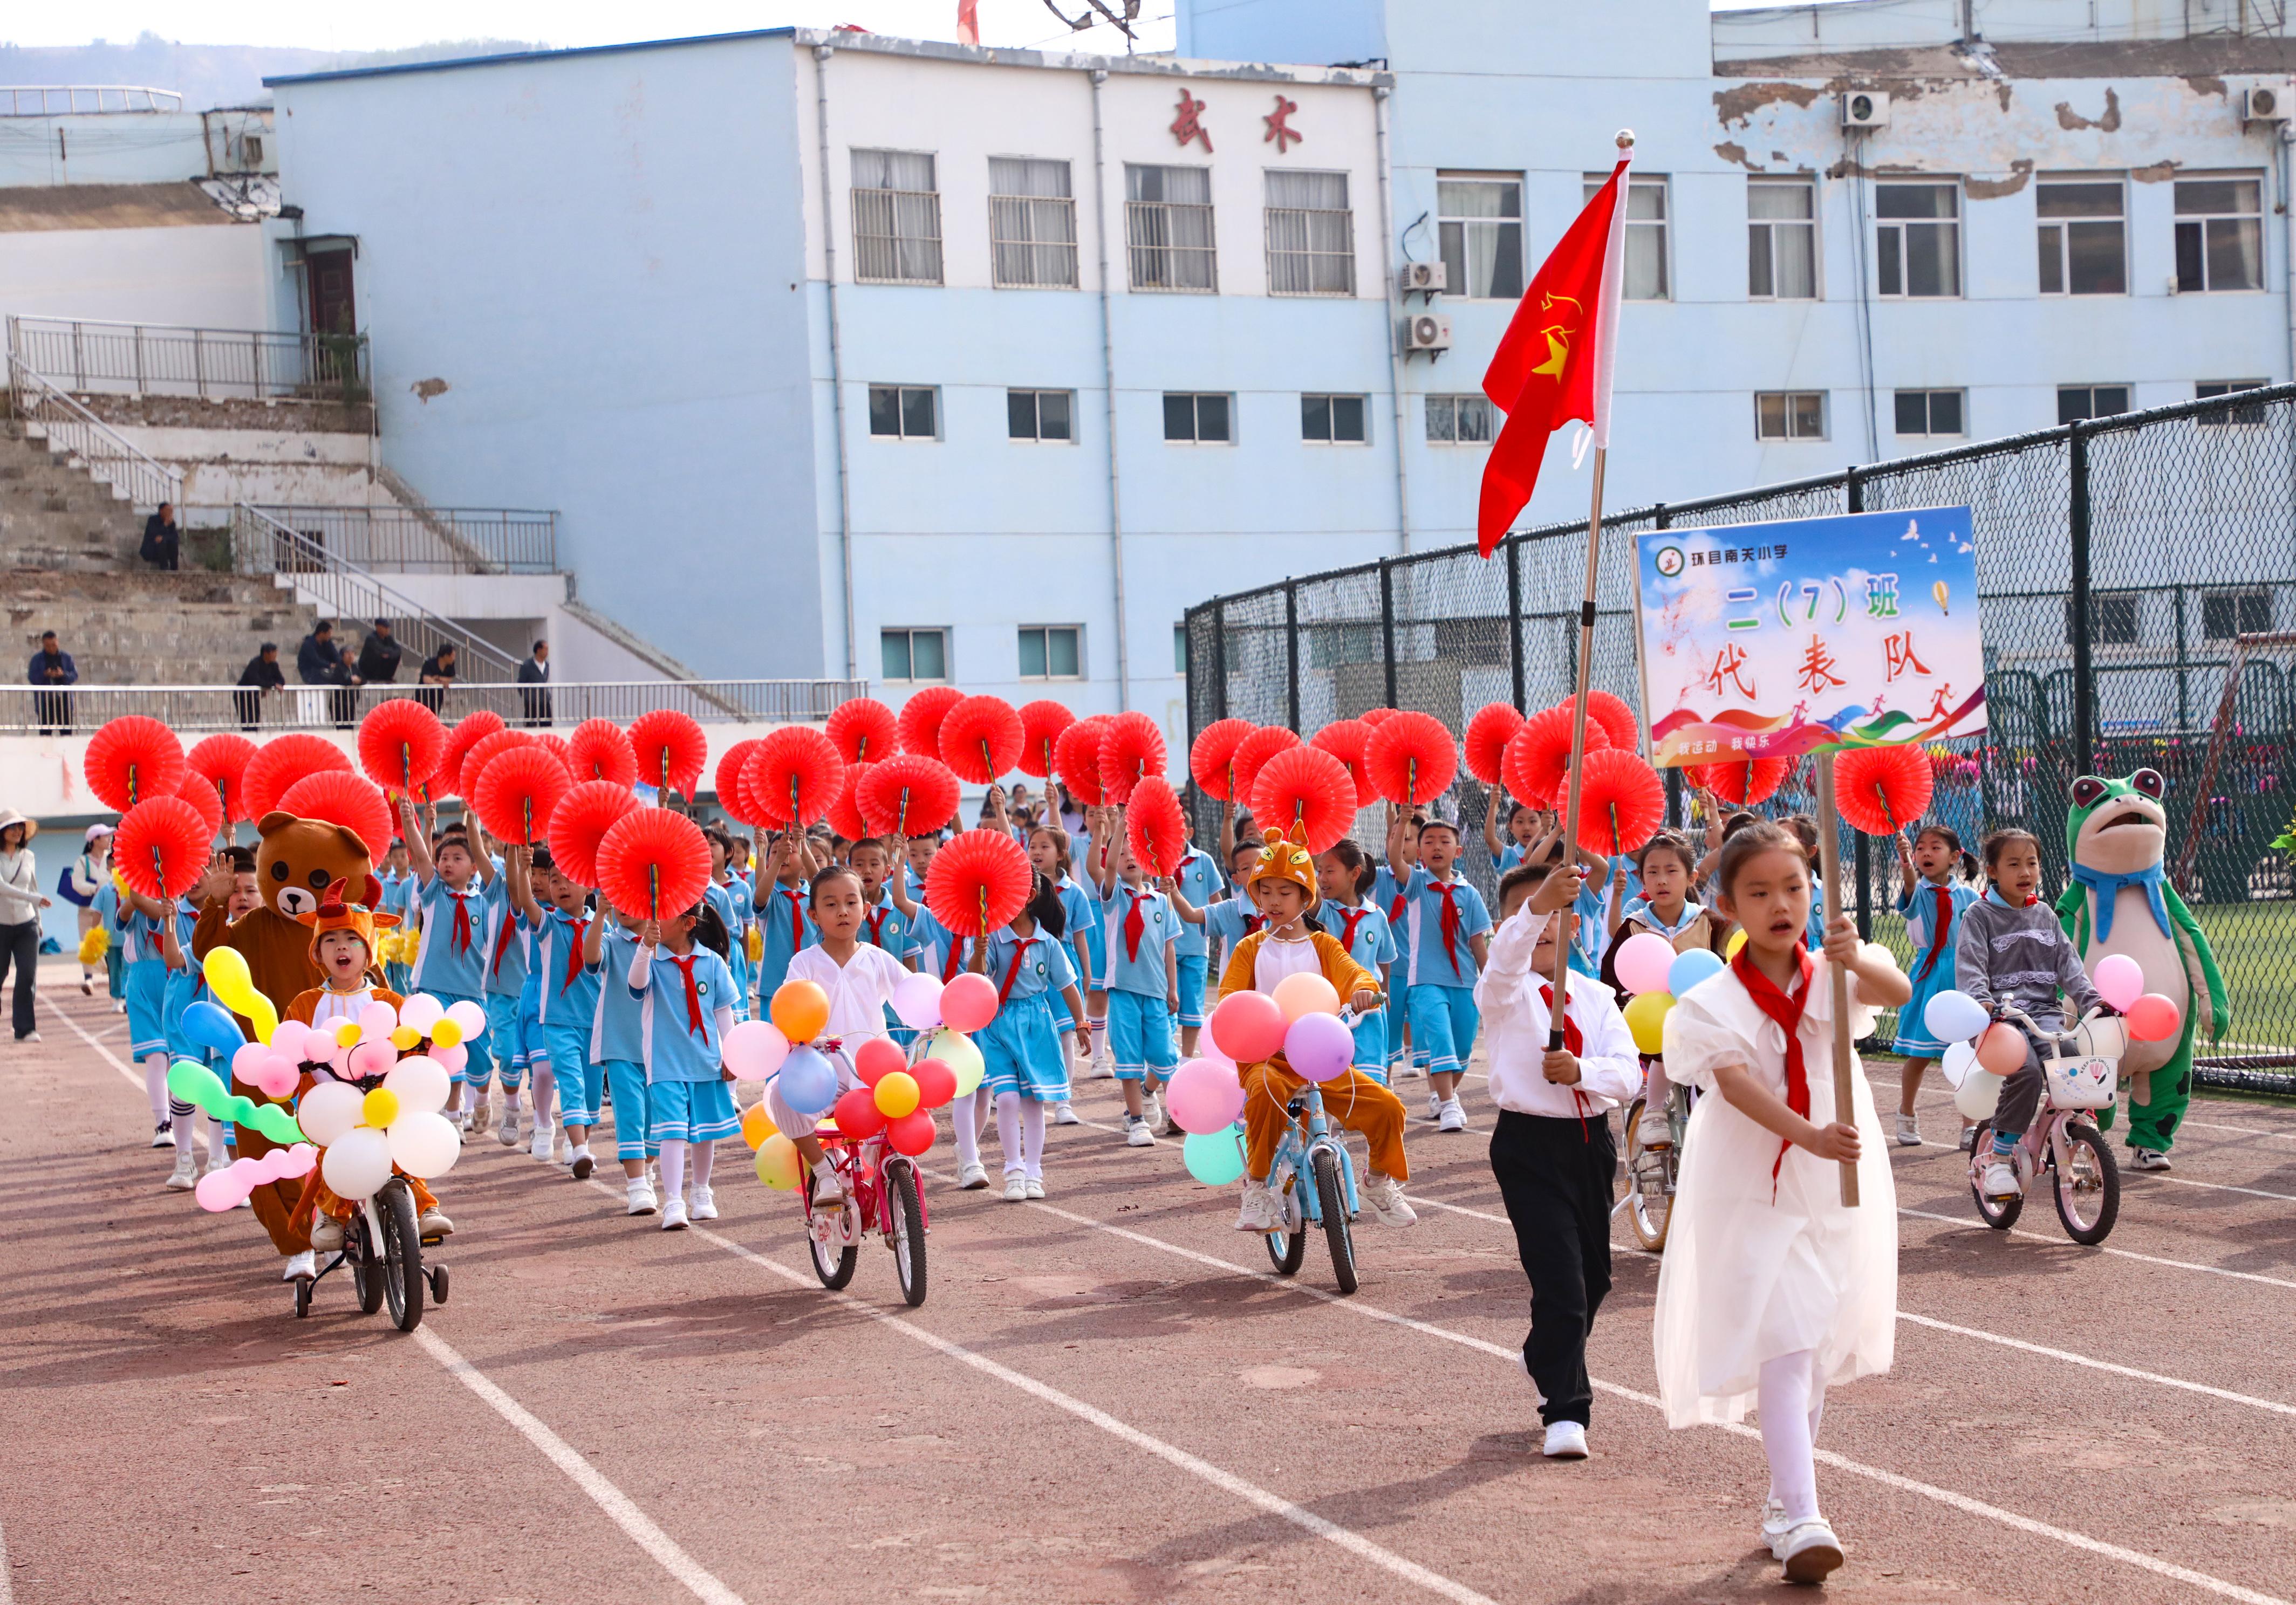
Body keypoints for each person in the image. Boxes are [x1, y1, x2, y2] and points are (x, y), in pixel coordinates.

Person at [1653, 821, 1909, 1584]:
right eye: (1759, 892)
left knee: (1817, 1343)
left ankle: (1781, 1499)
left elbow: (1897, 995)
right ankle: (1803, 1514)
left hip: (1837, 1177)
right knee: (1787, 1340)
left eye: (1794, 888)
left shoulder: (1832, 971)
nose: (1780, 905)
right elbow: (1735, 1087)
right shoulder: (1710, 1003)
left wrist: (1857, 956)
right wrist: (1808, 1135)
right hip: (1754, 1180)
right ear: (1727, 906)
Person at [1479, 859, 1639, 1459]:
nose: (1545, 925)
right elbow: (1506, 959)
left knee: (1594, 1280)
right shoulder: (1502, 991)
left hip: (1590, 1144)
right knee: (1562, 1284)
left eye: (1556, 914)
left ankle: (1543, 1353)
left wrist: (1582, 1071)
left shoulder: (1597, 998)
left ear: (1574, 924)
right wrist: (1537, 904)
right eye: (1531, 914)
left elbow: (1627, 1075)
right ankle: (1566, 1411)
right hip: (1527, 1146)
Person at [1220, 824, 1416, 1233]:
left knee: (1388, 1107)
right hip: (1267, 1059)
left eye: (1285, 892)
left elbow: (1353, 973)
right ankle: (1256, 1188)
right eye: (1265, 891)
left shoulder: (1324, 945)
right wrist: (1237, 1017)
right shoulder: (1250, 948)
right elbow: (1230, 997)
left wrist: (1364, 990)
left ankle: (1377, 1183)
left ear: (1305, 896)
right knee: (1267, 1092)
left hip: (1318, 1058)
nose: (1274, 901)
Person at [283, 880, 454, 1245]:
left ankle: (423, 1207)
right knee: (336, 1152)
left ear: (370, 948)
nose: (341, 947)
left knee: (402, 1144)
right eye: (330, 940)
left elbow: (413, 1050)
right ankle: (331, 1212)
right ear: (318, 953)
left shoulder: (389, 1001)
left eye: (353, 939)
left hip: (385, 1101)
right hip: (333, 1110)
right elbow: (291, 1055)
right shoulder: (305, 1004)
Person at [1956, 828, 2106, 1200]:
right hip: (1998, 1020)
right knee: (2026, 1074)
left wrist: (2094, 1001)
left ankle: (2073, 1137)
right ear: (1993, 871)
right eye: (2013, 864)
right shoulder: (1979, 915)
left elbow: (2069, 966)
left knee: (2072, 1063)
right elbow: (1971, 966)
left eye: (2032, 863)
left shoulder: (2045, 915)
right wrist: (1982, 1001)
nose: (2025, 872)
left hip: (2044, 1016)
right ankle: (1998, 1159)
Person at [769, 864, 912, 1208]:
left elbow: (912, 996)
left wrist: (938, 1021)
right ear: (814, 915)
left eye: (851, 902)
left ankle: (891, 1180)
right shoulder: (804, 963)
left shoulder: (877, 959)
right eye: (831, 905)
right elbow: (790, 1009)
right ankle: (824, 1170)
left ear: (866, 908)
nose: (843, 911)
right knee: (782, 1098)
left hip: (873, 1072)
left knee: (903, 1108)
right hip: (823, 1074)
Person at [961, 873, 1091, 1199]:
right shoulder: (992, 936)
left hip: (1037, 1025)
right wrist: (978, 952)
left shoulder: (1048, 942)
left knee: (1034, 1103)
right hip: (998, 1025)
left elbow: (1068, 985)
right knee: (1006, 1098)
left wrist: (1081, 1023)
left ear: (1030, 896)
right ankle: (1013, 1171)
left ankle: (1034, 1171)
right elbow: (975, 977)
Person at [1598, 832, 1729, 1155]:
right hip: (1654, 1028)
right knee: (1667, 1034)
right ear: (1642, 879)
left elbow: (1730, 970)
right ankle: (1653, 1111)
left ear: (1691, 877)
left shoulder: (1711, 923)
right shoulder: (1633, 927)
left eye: (1672, 871)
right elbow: (1612, 979)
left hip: (1706, 1023)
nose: (1662, 880)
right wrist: (1628, 1001)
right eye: (1653, 872)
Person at [627, 900, 740, 1231]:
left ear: (688, 923)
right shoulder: (651, 958)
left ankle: (702, 1191)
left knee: (705, 1132)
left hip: (706, 1062)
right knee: (673, 1131)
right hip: (665, 1064)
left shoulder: (712, 962)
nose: (654, 920)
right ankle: (674, 1201)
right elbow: (636, 986)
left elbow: (722, 1013)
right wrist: (644, 947)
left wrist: (732, 1054)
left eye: (663, 915)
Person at [1385, 808, 1493, 1133]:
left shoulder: (1469, 893)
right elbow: (1395, 860)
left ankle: (1445, 1095)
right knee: (1441, 1040)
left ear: (1457, 851)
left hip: (1465, 982)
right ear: (1419, 852)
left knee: (1462, 1049)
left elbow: (1477, 941)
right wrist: (1404, 822)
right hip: (1426, 981)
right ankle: (1448, 1106)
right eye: (1429, 841)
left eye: (1444, 841)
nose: (1436, 847)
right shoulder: (1417, 884)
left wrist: (1489, 981)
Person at [1083, 805, 1183, 1145]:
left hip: (1156, 991)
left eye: (1134, 853)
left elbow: (1169, 948)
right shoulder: (1114, 898)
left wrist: (1172, 988)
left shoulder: (1161, 901)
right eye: (1123, 852)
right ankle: (1137, 1119)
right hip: (1123, 990)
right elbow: (1107, 866)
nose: (1128, 857)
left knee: (1164, 1054)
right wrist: (1123, 824)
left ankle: (1178, 1110)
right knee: (1128, 1056)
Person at [397, 797, 499, 1124]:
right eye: (443, 858)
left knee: (480, 1060)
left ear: (474, 867)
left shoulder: (484, 903)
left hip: (472, 992)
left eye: (457, 858)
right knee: (444, 1052)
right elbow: (420, 854)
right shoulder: (433, 893)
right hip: (433, 987)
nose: (447, 863)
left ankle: (482, 1097)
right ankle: (452, 1115)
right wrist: (411, 820)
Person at [1891, 824, 1981, 1149]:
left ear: (1955, 857)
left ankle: (1970, 1124)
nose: (1926, 853)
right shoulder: (1918, 893)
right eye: (1920, 848)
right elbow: (1909, 884)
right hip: (1929, 975)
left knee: (1968, 1053)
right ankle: (1907, 1114)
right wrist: (1905, 862)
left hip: (1963, 976)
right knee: (1920, 1053)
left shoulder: (1971, 898)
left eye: (1935, 847)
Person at [520, 846, 600, 1172]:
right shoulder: (548, 924)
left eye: (570, 879)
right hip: (557, 1020)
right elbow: (527, 903)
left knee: (592, 1092)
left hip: (595, 1023)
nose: (562, 885)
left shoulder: (602, 926)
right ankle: (580, 1149)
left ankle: (579, 1143)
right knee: (570, 1082)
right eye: (555, 880)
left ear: (589, 885)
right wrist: (523, 869)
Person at [1313, 840, 1397, 1083]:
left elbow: (1384, 958)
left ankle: (1369, 1101)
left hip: (1368, 1001)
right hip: (1332, 1001)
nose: (1322, 878)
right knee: (1332, 1068)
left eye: (1330, 871)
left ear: (1354, 873)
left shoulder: (1376, 915)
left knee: (1369, 1067)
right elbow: (1312, 892)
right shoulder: (1323, 911)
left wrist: (1385, 992)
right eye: (1319, 871)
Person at [0, 811, 49, 1042]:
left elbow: (33, 887)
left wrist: (38, 920)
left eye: (20, 827)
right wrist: (34, 899)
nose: (18, 831)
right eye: (12, 827)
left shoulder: (29, 856)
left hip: (26, 924)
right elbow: (2, 887)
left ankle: (25, 1029)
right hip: (1, 924)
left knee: (27, 975)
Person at [58, 824, 112, 995]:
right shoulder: (83, 861)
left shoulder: (111, 858)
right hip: (87, 910)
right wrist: (96, 888)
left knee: (110, 944)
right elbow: (77, 883)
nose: (109, 839)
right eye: (105, 836)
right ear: (95, 840)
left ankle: (114, 978)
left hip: (108, 909)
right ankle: (88, 979)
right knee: (87, 942)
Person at [297, 621, 361, 729]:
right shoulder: (308, 644)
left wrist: (341, 665)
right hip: (310, 673)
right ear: (322, 633)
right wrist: (330, 665)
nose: (330, 636)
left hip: (325, 671)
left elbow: (336, 656)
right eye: (329, 633)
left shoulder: (327, 643)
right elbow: (315, 660)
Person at [28, 632, 76, 734]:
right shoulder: (37, 659)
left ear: (57, 642)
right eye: (48, 646)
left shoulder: (66, 658)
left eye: (53, 645)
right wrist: (45, 674)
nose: (51, 648)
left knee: (66, 732)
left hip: (64, 700)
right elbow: (32, 678)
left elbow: (74, 675)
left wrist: (63, 675)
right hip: (45, 700)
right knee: (45, 732)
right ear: (43, 644)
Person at [235, 642, 286, 730]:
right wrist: (273, 685)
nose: (276, 655)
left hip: (255, 696)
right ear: (266, 653)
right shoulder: (255, 663)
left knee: (255, 720)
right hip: (243, 696)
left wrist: (272, 685)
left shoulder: (274, 665)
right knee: (246, 721)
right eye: (273, 653)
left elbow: (281, 680)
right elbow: (255, 681)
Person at [356, 618, 404, 685]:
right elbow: (381, 650)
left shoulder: (389, 638)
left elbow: (398, 650)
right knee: (378, 656)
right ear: (378, 627)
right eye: (385, 628)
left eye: (388, 628)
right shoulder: (371, 638)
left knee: (395, 657)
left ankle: (387, 677)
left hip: (381, 668)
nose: (387, 630)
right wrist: (389, 652)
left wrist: (389, 655)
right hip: (368, 669)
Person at [517, 640, 552, 726]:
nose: (547, 652)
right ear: (539, 650)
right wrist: (527, 697)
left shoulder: (547, 665)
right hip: (532, 700)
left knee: (547, 723)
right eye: (545, 649)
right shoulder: (527, 665)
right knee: (531, 724)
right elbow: (521, 682)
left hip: (545, 699)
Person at [416, 643, 458, 714]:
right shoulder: (430, 663)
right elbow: (426, 679)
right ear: (446, 656)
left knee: (434, 716)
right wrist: (441, 683)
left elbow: (450, 678)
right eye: (453, 656)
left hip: (438, 696)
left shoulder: (450, 665)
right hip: (424, 695)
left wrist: (438, 678)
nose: (454, 658)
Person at [139, 503, 180, 570]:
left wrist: (164, 538)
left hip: (166, 550)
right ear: (161, 511)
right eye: (168, 510)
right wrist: (165, 525)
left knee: (173, 543)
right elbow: (154, 534)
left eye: (171, 511)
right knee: (161, 542)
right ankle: (165, 569)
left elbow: (175, 536)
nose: (170, 513)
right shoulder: (153, 520)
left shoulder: (171, 523)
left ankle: (174, 569)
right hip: (151, 549)